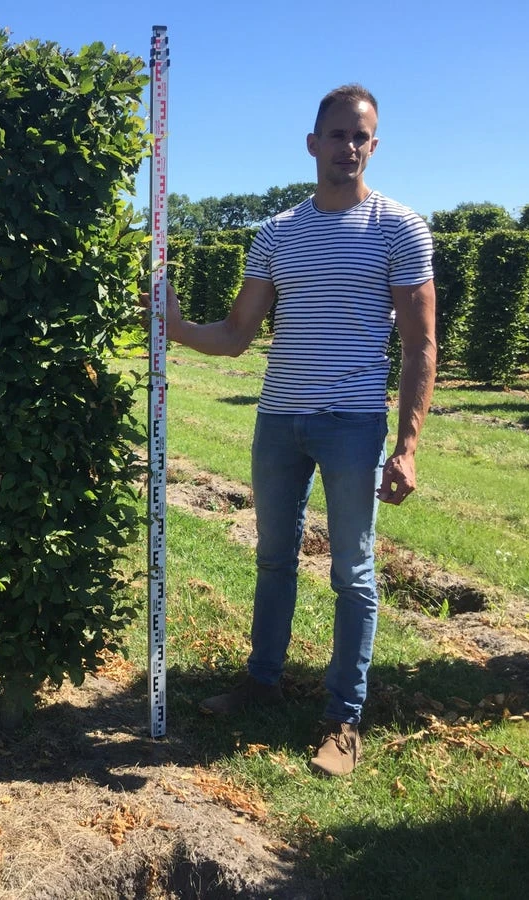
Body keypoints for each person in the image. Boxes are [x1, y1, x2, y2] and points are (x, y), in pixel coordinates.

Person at [161, 84, 436, 776]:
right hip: (278, 420)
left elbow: (421, 345)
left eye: (360, 136)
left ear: (373, 146)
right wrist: (174, 327)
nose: (348, 147)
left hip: (351, 425)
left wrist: (406, 447)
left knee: (353, 572)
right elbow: (235, 335)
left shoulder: (398, 228)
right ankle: (262, 682)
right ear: (312, 143)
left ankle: (343, 718)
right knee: (273, 559)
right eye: (336, 134)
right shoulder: (277, 232)